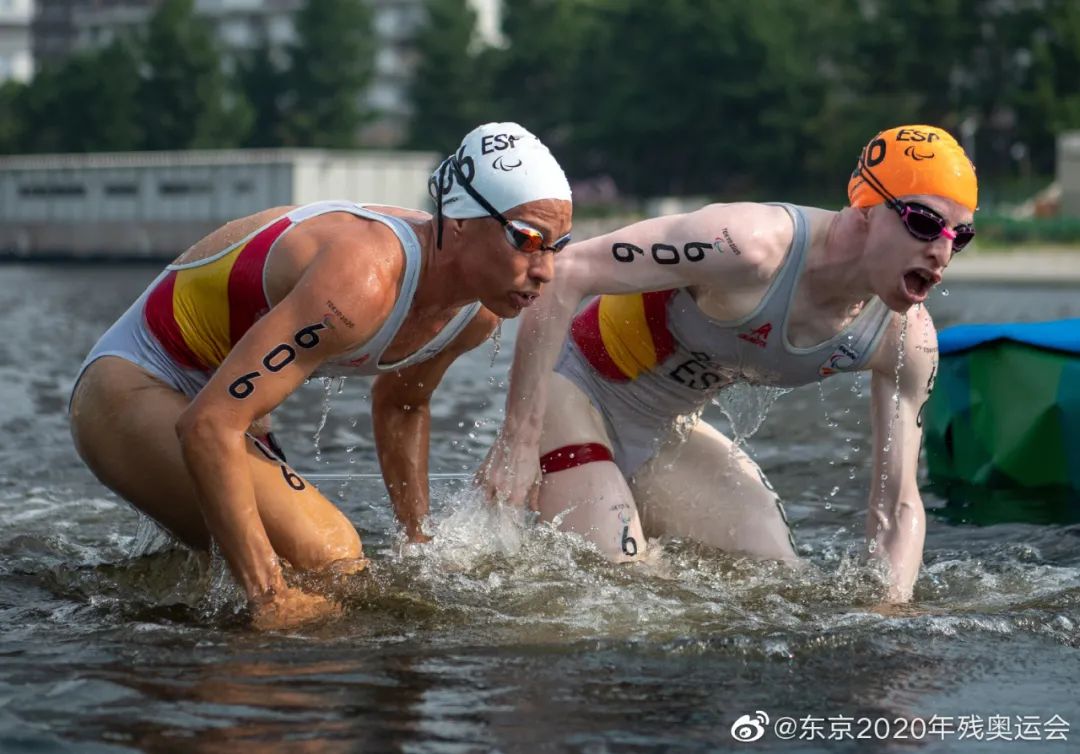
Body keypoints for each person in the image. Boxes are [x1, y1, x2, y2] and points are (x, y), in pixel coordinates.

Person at [69, 122, 573, 629]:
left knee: (309, 577)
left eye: (558, 245)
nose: (546, 270)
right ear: (460, 221)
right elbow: (209, 425)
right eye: (528, 239)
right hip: (133, 385)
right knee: (329, 556)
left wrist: (419, 545)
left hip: (224, 406)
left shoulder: (477, 312)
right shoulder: (362, 280)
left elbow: (401, 405)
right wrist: (270, 596)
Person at [480, 124, 977, 603]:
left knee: (776, 577)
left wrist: (889, 619)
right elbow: (565, 272)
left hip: (665, 429)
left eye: (960, 235)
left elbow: (896, 505)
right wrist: (517, 440)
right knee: (622, 588)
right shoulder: (749, 245)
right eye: (923, 222)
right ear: (866, 207)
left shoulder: (905, 339)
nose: (941, 251)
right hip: (573, 389)